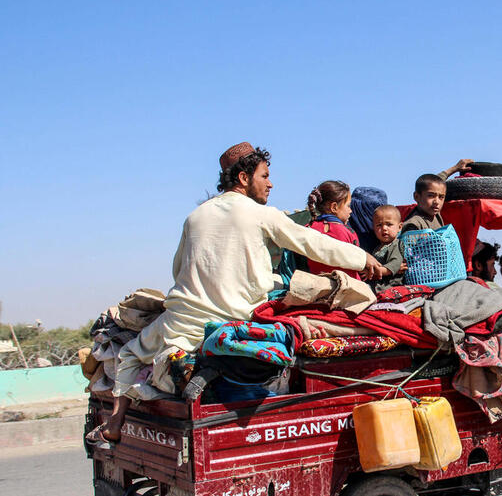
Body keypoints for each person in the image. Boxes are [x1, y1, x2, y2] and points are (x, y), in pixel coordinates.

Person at [85, 142, 381, 448]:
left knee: (130, 354)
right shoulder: (260, 213)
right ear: (243, 178)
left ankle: (115, 425)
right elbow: (312, 243)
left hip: (181, 322)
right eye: (264, 175)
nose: (270, 183)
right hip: (236, 321)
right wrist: (363, 259)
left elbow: (178, 270)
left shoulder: (195, 217)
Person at [306, 180, 362, 280]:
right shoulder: (345, 231)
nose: (351, 210)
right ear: (334, 207)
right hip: (347, 287)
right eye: (348, 206)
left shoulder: (308, 228)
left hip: (316, 284)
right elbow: (356, 261)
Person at [401, 159, 474, 234]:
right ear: (416, 197)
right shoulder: (414, 225)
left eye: (441, 197)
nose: (436, 202)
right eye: (431, 196)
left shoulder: (434, 212)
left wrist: (455, 168)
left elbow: (436, 182)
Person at [369, 205, 407, 292]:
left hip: (390, 286)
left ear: (400, 227)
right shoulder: (377, 248)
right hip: (378, 285)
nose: (384, 228)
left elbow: (395, 264)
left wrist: (373, 271)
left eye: (389, 224)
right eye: (379, 225)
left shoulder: (396, 244)